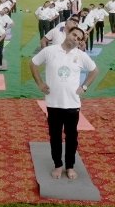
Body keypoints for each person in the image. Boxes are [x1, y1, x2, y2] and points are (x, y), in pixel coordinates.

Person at [30, 25, 98, 180]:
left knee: (72, 137)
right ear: (67, 33)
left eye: (79, 38)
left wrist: (84, 86)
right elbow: (33, 63)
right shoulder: (50, 51)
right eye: (74, 35)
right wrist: (40, 83)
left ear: (80, 42)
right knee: (55, 136)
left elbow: (94, 70)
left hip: (72, 105)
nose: (75, 39)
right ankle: (58, 165)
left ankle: (70, 166)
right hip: (54, 103)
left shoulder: (80, 55)